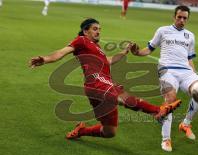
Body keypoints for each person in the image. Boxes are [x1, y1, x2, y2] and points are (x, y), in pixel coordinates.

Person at [29, 18, 181, 139]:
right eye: (95, 29)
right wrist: (45, 59)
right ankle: (157, 111)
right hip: (95, 82)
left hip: (102, 84)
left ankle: (81, 131)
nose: (98, 32)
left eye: (99, 29)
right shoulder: (81, 40)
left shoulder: (97, 49)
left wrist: (124, 51)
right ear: (85, 31)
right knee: (121, 96)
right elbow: (61, 52)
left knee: (110, 132)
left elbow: (109, 60)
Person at [130, 6, 198, 152]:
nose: (182, 20)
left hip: (186, 71)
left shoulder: (190, 35)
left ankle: (186, 123)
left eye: (185, 18)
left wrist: (195, 74)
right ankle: (166, 139)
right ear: (174, 17)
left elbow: (189, 59)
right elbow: (148, 50)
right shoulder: (162, 30)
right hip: (167, 70)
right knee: (170, 100)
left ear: (187, 19)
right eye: (179, 17)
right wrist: (136, 52)